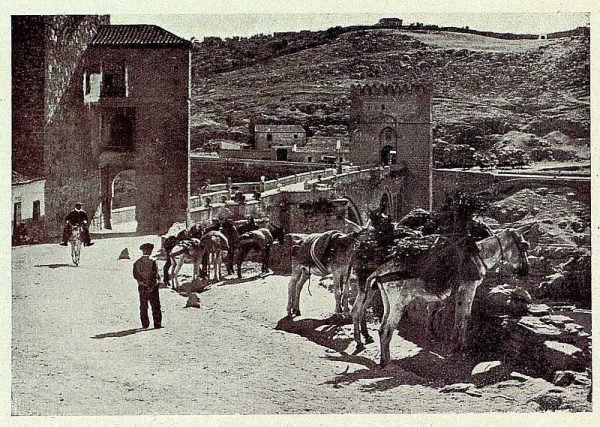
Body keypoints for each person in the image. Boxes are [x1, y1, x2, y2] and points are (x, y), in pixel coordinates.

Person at [133, 243, 162, 329]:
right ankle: (157, 324)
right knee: (156, 306)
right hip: (153, 287)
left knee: (143, 306)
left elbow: (136, 275)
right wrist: (151, 286)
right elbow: (155, 275)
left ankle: (145, 324)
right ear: (150, 251)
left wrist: (143, 283)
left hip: (142, 287)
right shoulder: (153, 261)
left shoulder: (136, 263)